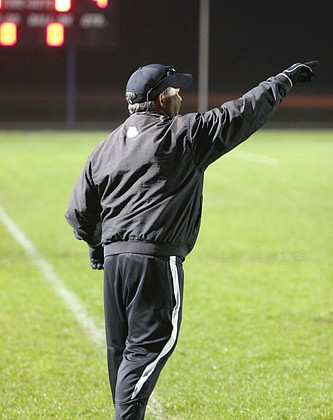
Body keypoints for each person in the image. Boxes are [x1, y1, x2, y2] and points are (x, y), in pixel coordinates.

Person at [65, 61, 317, 419]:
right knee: (149, 349)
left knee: (122, 354)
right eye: (174, 91)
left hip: (116, 265)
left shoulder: (105, 148)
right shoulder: (184, 135)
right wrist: (284, 79)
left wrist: (97, 247)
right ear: (158, 100)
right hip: (154, 261)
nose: (180, 96)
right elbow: (242, 112)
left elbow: (79, 211)